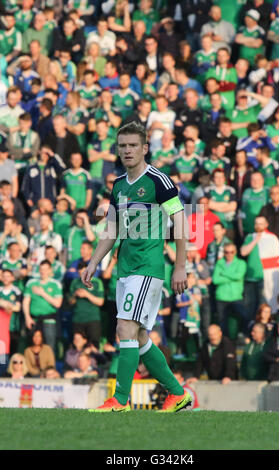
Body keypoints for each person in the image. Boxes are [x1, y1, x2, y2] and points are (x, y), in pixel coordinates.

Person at [82, 121, 192, 413]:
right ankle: (178, 393)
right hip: (125, 268)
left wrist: (180, 266)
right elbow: (112, 228)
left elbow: (181, 220)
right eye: (123, 146)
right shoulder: (118, 185)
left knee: (125, 327)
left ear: (145, 148)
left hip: (148, 266)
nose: (127, 150)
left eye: (133, 145)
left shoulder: (158, 181)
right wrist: (94, 261)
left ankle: (119, 400)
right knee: (139, 336)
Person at [241, 216, 279, 316]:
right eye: (256, 223)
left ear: (266, 225)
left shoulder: (272, 238)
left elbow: (277, 259)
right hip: (251, 277)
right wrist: (255, 240)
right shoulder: (250, 237)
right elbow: (243, 252)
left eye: (261, 223)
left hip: (264, 278)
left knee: (263, 306)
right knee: (249, 306)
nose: (258, 226)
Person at [23, 260, 63, 351]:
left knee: (48, 347)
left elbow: (58, 304)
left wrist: (42, 293)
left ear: (50, 270)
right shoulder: (31, 283)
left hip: (49, 320)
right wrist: (27, 317)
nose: (43, 272)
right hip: (34, 320)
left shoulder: (55, 284)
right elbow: (26, 302)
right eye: (41, 269)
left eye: (45, 269)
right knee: (32, 347)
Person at [212, 242, 247, 340]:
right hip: (221, 297)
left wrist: (223, 273)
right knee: (222, 322)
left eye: (231, 252)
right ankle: (226, 342)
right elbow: (215, 280)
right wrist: (232, 277)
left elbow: (239, 276)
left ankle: (243, 334)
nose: (229, 254)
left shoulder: (241, 263)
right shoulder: (220, 263)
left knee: (244, 316)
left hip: (235, 297)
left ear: (235, 252)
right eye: (227, 252)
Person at [68, 261, 104, 347]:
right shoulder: (75, 283)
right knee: (78, 347)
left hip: (92, 319)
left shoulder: (97, 282)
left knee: (93, 347)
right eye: (80, 273)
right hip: (78, 319)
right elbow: (70, 302)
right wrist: (74, 295)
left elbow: (100, 302)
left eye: (84, 273)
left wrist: (86, 294)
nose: (82, 275)